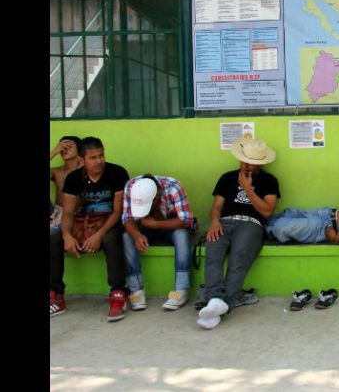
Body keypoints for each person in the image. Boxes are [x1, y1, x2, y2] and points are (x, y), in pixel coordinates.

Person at [196, 137, 281, 330]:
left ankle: (220, 305)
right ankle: (215, 301)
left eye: (250, 163)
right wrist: (214, 221)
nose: (245, 165)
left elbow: (267, 211)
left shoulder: (269, 181)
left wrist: (248, 189)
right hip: (224, 222)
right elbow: (217, 206)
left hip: (251, 224)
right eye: (243, 161)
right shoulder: (227, 177)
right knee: (213, 253)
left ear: (259, 164)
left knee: (238, 260)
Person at [50, 137, 130, 321]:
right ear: (82, 160)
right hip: (83, 223)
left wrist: (98, 235)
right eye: (93, 157)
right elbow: (68, 213)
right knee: (54, 238)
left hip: (109, 222)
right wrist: (67, 235)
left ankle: (118, 292)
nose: (99, 161)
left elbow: (118, 212)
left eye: (101, 155)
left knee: (112, 239)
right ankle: (56, 294)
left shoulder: (117, 173)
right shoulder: (73, 178)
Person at [122, 174, 196, 311]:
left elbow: (186, 220)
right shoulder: (131, 187)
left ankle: (181, 289)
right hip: (145, 226)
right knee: (127, 236)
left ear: (157, 197)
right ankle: (136, 291)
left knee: (181, 235)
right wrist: (137, 235)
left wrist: (156, 224)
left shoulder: (174, 187)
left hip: (171, 224)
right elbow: (127, 218)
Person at [50, 136, 83, 231]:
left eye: (68, 147)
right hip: (58, 215)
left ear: (79, 149)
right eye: (62, 147)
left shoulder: (86, 169)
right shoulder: (56, 172)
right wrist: (54, 152)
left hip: (80, 214)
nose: (64, 150)